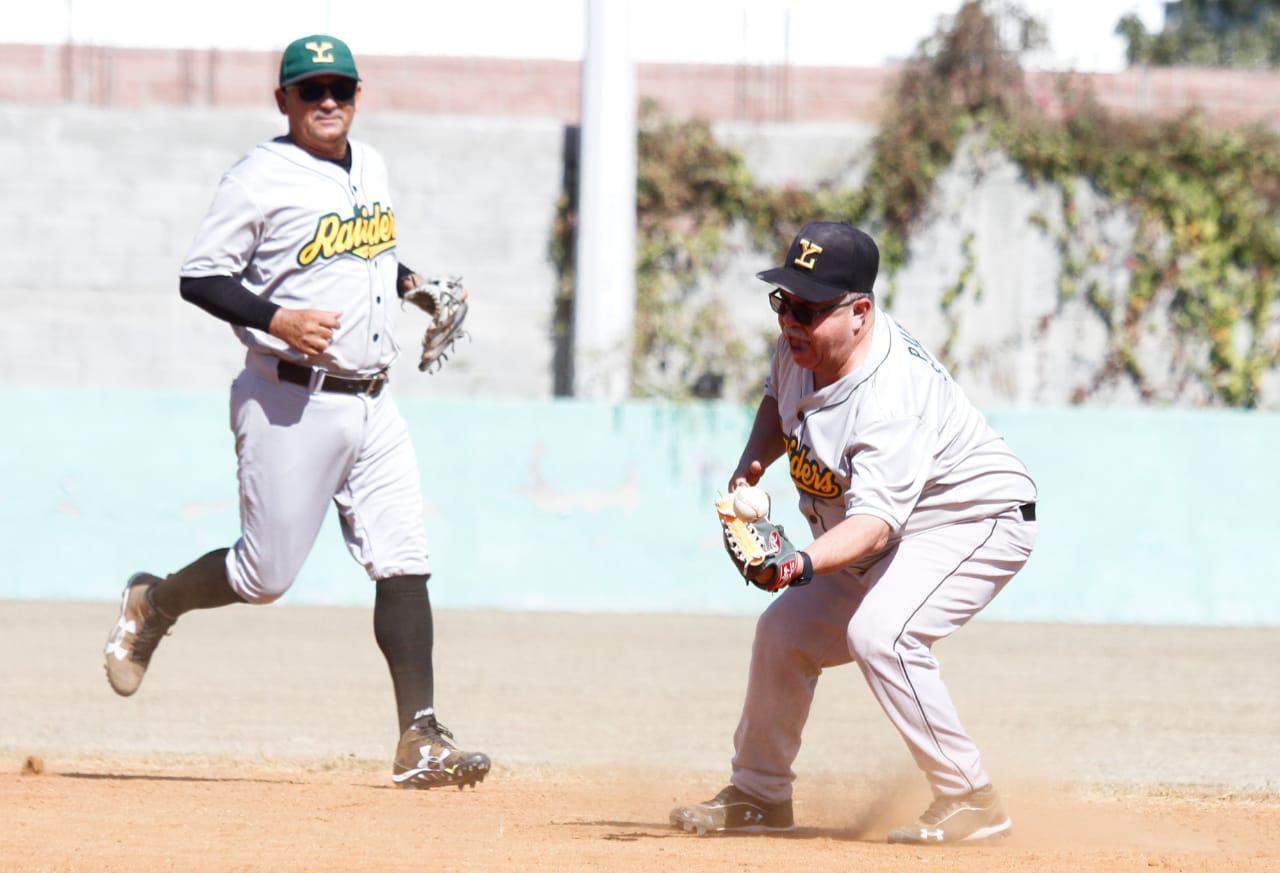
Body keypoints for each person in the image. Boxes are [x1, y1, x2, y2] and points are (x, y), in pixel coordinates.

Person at [102, 34, 490, 791]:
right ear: (281, 98)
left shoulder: (370, 164)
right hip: (289, 397)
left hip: (374, 399)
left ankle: (420, 736)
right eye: (310, 89)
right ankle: (154, 602)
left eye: (340, 87)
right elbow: (199, 276)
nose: (327, 102)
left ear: (357, 93)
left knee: (404, 556)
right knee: (263, 574)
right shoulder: (257, 176)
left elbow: (365, 258)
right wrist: (276, 318)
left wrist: (416, 287)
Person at [669, 221, 1037, 842]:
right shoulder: (800, 346)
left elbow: (871, 528)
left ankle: (970, 796)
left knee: (882, 635)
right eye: (783, 300)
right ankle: (759, 795)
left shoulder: (891, 398)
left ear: (859, 312)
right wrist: (749, 468)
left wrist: (796, 564)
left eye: (809, 309)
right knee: (784, 633)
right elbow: (773, 401)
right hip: (891, 530)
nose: (791, 320)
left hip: (972, 519)